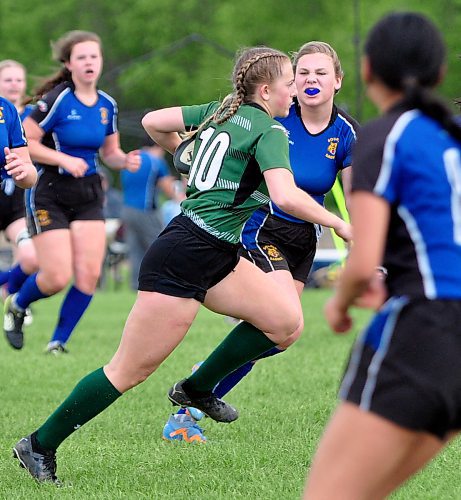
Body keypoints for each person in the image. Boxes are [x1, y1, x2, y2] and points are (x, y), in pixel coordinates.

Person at [12, 45, 351, 484]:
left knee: (285, 322)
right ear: (267, 90)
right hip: (186, 255)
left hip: (217, 251)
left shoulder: (222, 111)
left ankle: (195, 388)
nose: (295, 92)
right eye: (290, 82)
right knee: (128, 370)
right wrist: (338, 225)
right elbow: (285, 196)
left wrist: (184, 156)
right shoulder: (267, 130)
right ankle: (39, 444)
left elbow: (154, 122)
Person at [163, 41, 359, 442]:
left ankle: (199, 385)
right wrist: (191, 161)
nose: (310, 80)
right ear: (289, 80)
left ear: (337, 81)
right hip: (260, 228)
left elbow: (357, 200)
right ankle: (189, 406)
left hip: (304, 239)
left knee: (280, 335)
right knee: (278, 323)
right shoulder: (274, 117)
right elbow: (212, 145)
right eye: (302, 72)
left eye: (321, 73)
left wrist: (364, 236)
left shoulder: (346, 133)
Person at [303, 12, 461, 499]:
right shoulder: (450, 137)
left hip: (428, 327)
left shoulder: (382, 135)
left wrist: (340, 301)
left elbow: (365, 251)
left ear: (367, 70)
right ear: (439, 73)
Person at [3, 31, 140, 354]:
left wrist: (125, 160)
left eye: (94, 56)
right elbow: (28, 143)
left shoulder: (108, 105)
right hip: (50, 190)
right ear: (68, 63)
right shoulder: (57, 100)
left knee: (89, 274)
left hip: (88, 192)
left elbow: (110, 152)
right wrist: (64, 158)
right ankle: (18, 304)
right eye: (82, 57)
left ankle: (58, 342)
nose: (89, 62)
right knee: (55, 276)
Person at [0, 60, 38, 333]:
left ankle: (11, 296)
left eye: (18, 80)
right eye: (8, 79)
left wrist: (21, 170)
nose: (14, 85)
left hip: (13, 203)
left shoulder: (8, 111)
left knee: (31, 257)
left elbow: (30, 174)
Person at [121, 141, 183, 290]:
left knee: (135, 248)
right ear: (158, 146)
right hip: (145, 210)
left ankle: (135, 284)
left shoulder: (132, 157)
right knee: (157, 246)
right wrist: (181, 199)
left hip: (127, 209)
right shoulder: (155, 161)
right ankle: (161, 280)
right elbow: (166, 185)